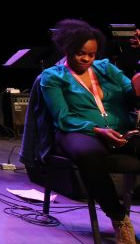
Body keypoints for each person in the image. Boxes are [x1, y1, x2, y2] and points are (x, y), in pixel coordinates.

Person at [40, 18, 140, 244]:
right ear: (68, 49)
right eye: (80, 53)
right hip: (78, 132)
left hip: (120, 129)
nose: (86, 59)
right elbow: (63, 118)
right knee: (89, 156)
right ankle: (119, 218)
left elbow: (130, 92)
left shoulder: (106, 69)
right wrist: (96, 130)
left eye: (91, 54)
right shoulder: (53, 77)